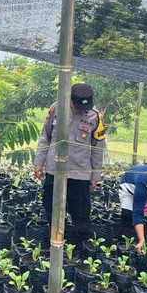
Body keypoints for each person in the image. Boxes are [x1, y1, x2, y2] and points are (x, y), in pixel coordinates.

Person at [34, 83, 107, 246]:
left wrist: (95, 175)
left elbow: (98, 148)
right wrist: (39, 162)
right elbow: (45, 136)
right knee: (52, 210)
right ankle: (56, 245)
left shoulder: (96, 117)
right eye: (77, 107)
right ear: (70, 100)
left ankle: (79, 250)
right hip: (54, 171)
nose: (82, 111)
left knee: (80, 215)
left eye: (85, 107)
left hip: (80, 174)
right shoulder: (56, 109)